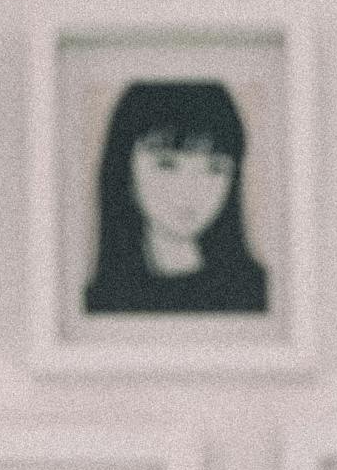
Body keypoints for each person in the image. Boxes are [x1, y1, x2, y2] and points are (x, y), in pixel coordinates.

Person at [83, 78, 272, 315]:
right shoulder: (99, 303)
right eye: (166, 164)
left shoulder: (258, 294)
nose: (191, 189)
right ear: (124, 168)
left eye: (215, 168)